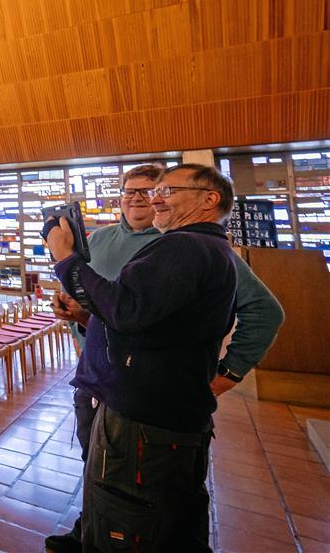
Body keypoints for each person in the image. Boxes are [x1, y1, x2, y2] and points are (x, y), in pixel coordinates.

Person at [45, 165, 284, 552]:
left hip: (145, 409)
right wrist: (85, 316)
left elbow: (125, 309)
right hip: (113, 386)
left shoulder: (183, 246)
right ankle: (89, 530)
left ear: (210, 199)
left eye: (162, 190)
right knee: (109, 486)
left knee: (136, 511)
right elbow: (136, 321)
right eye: (134, 192)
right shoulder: (118, 240)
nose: (150, 198)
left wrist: (228, 374)